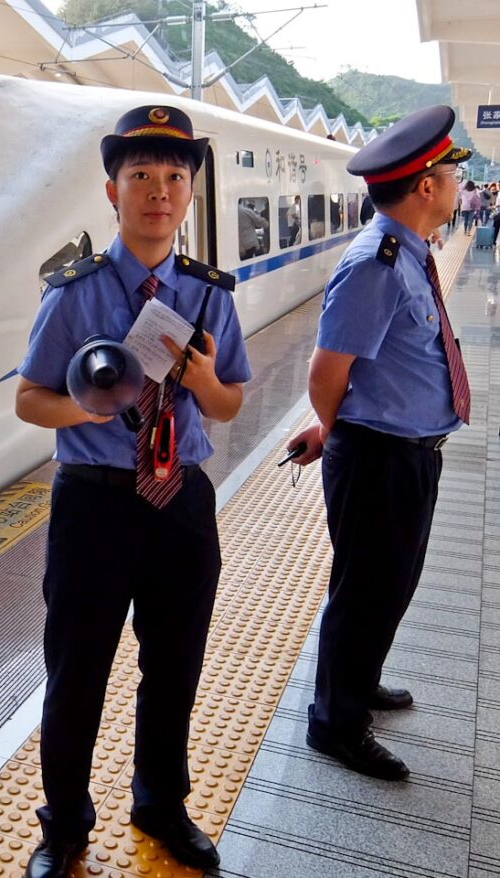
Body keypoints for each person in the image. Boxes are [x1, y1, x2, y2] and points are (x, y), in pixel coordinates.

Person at [14, 105, 250, 877]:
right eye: (140, 176)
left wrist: (206, 379)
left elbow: (229, 404)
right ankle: (65, 824)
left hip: (179, 501)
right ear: (112, 191)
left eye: (175, 177)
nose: (159, 191)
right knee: (76, 667)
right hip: (93, 502)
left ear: (189, 194)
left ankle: (160, 804)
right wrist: (89, 404)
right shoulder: (74, 292)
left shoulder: (211, 295)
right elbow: (28, 400)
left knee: (175, 663)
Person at [286, 105, 471, 781]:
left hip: (407, 454)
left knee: (387, 586)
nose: (457, 180)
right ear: (425, 186)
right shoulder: (377, 263)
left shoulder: (412, 253)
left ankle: (357, 684)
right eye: (452, 170)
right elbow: (325, 372)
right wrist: (336, 429)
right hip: (378, 459)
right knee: (365, 592)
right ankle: (335, 724)